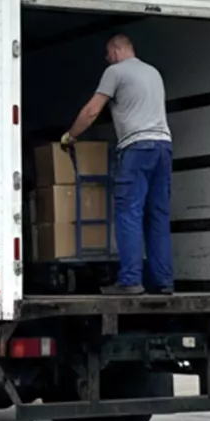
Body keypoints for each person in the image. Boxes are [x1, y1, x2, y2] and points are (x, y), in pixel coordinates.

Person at [60, 34, 173, 296]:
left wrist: (71, 136)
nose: (107, 59)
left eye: (108, 54)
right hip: (163, 147)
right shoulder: (153, 72)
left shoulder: (115, 71)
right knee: (157, 216)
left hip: (137, 148)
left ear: (117, 49)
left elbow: (92, 111)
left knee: (129, 213)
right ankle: (163, 281)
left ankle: (130, 280)